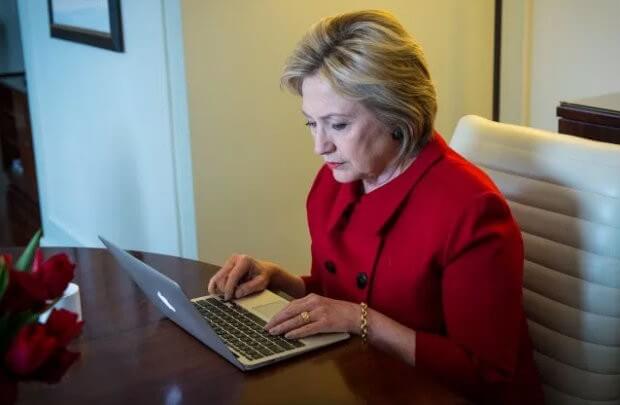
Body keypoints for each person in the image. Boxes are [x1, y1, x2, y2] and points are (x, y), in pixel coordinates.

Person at [207, 9, 543, 404]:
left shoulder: (472, 211)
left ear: (396, 114)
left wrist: (361, 320)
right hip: (366, 380)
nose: (320, 146)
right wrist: (283, 281)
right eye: (311, 123)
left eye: (338, 124)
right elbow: (340, 293)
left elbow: (486, 376)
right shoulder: (333, 184)